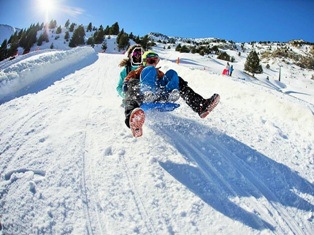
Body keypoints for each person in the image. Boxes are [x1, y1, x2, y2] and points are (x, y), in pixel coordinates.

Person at [123, 50, 220, 137]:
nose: (153, 63)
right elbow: (127, 86)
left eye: (155, 61)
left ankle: (200, 106)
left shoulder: (160, 73)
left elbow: (170, 80)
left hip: (159, 96)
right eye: (150, 61)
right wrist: (127, 84)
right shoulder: (137, 71)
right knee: (133, 84)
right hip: (142, 96)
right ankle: (133, 120)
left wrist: (177, 83)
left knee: (172, 74)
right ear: (144, 61)